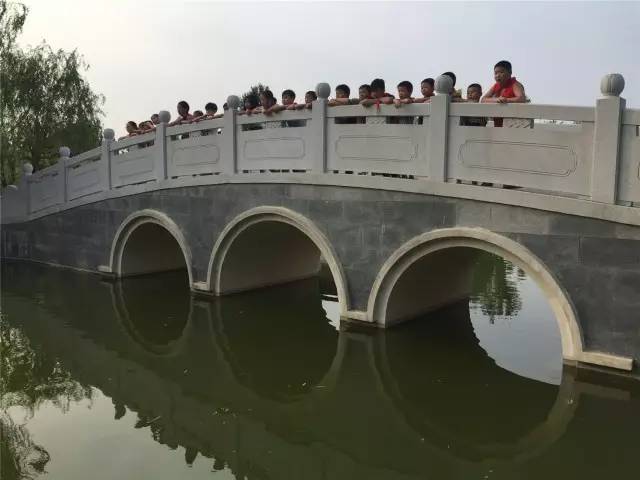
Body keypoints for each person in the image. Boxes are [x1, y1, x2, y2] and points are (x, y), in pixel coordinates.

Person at [481, 60, 527, 127]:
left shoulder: (514, 84)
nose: (498, 75)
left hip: (512, 123)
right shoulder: (496, 86)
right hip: (498, 122)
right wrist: (497, 99)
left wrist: (506, 100)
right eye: (496, 73)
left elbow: (522, 98)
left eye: (501, 72)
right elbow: (483, 99)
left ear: (510, 73)